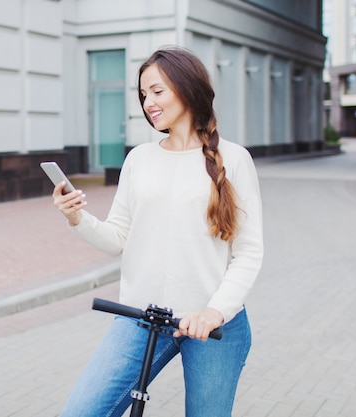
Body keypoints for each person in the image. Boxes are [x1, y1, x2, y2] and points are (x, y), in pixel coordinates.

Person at [51, 46, 264, 417]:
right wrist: (77, 218)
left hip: (213, 326)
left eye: (157, 90)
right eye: (144, 93)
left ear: (186, 88)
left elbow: (248, 251)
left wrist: (214, 312)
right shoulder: (139, 159)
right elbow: (118, 237)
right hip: (141, 317)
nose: (148, 101)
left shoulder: (234, 159)